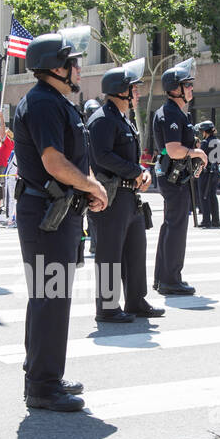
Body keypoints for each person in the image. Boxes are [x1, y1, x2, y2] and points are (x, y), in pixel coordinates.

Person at [12, 30, 107, 412]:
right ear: (55, 67)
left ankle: (45, 372)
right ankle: (42, 386)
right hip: (46, 216)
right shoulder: (44, 104)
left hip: (57, 212)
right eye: (72, 61)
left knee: (50, 296)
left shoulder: (54, 101)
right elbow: (53, 161)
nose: (78, 68)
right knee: (50, 297)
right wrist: (92, 185)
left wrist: (84, 191)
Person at [88, 65, 163, 324]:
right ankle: (107, 307)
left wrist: (142, 171)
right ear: (121, 91)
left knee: (135, 250)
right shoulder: (102, 119)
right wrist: (134, 171)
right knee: (109, 253)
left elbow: (127, 157)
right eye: (134, 88)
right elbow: (102, 156)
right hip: (111, 196)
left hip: (129, 196)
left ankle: (135, 300)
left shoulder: (122, 118)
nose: (138, 92)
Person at [151, 62, 206, 295]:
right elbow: (173, 150)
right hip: (173, 178)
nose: (191, 89)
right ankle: (171, 280)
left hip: (177, 176)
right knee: (176, 227)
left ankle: (163, 277)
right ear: (175, 89)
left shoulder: (176, 112)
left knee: (171, 226)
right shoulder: (171, 113)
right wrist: (196, 153)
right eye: (187, 85)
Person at [195, 121, 220, 228]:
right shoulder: (218, 141)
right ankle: (216, 220)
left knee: (204, 196)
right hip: (216, 172)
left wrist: (198, 170)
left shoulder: (205, 143)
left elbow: (201, 158)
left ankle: (206, 220)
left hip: (207, 172)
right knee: (212, 196)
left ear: (205, 131)